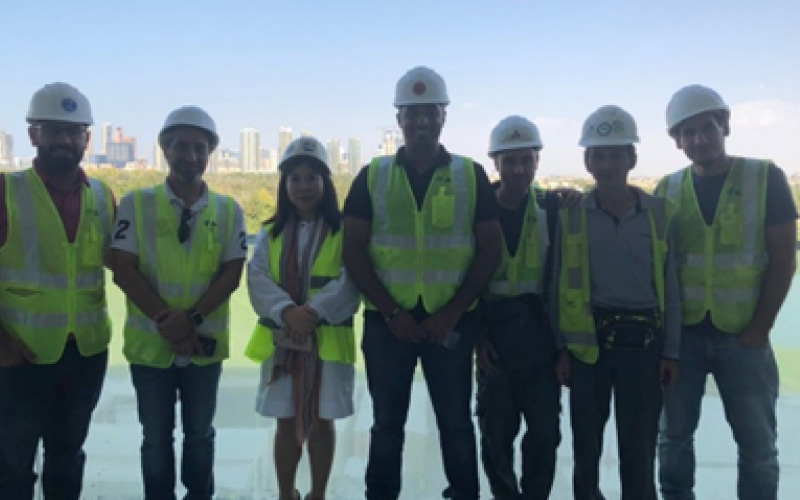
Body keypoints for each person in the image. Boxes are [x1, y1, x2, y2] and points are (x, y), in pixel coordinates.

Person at [342, 66, 502, 500]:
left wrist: (451, 314)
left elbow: (490, 250)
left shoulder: (470, 175)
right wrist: (392, 312)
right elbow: (353, 251)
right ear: (399, 119)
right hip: (387, 325)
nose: (422, 121)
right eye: (412, 113)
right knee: (386, 425)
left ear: (444, 116)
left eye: (431, 112)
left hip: (451, 324)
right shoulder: (372, 176)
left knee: (456, 423)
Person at [656, 85, 798, 500]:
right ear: (677, 141)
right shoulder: (667, 188)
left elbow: (784, 259)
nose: (700, 139)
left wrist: (760, 328)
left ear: (725, 126)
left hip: (743, 337)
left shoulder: (764, 177)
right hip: (683, 340)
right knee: (673, 438)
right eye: (689, 132)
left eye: (708, 128)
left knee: (757, 447)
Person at [111, 105, 247, 500]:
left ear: (210, 153)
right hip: (151, 348)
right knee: (156, 438)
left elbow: (231, 273)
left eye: (199, 148)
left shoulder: (228, 210)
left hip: (203, 347)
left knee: (200, 434)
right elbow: (123, 268)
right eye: (181, 146)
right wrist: (167, 321)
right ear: (165, 149)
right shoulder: (136, 204)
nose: (191, 155)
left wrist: (192, 319)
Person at [554, 105, 681, 500]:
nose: (607, 164)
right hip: (588, 347)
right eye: (599, 155)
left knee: (639, 451)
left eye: (616, 155)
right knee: (586, 449)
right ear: (587, 161)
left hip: (644, 347)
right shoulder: (570, 215)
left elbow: (671, 285)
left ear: (632, 158)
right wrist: (561, 349)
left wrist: (672, 351)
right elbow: (556, 285)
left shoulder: (660, 213)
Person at [0, 82, 115, 500]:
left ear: (87, 138)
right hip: (20, 357)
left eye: (73, 131)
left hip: (84, 355)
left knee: (67, 458)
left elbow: (122, 263)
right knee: (12, 465)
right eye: (53, 130)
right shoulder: (6, 192)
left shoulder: (102, 196)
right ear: (33, 134)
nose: (64, 140)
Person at [245, 136, 360, 500]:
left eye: (312, 177)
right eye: (295, 178)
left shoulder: (344, 232)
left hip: (326, 343)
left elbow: (350, 279)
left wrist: (312, 312)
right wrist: (286, 312)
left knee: (322, 423)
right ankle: (286, 494)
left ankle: (318, 493)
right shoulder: (271, 233)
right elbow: (257, 277)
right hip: (285, 343)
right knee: (286, 423)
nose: (303, 186)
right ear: (285, 185)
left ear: (326, 183)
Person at [475, 115, 562, 500]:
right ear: (495, 162)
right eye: (509, 161)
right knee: (496, 436)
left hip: (538, 340)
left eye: (526, 160)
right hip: (494, 338)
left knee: (545, 434)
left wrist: (561, 347)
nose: (518, 169)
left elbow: (560, 281)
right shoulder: (477, 212)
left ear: (537, 161)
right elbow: (465, 279)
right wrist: (478, 339)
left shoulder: (551, 209)